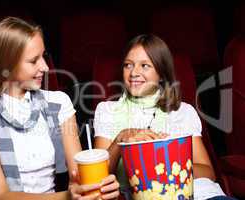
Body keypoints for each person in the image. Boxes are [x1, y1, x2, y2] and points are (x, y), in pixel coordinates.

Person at [0, 16, 119, 200]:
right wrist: (67, 197)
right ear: (7, 64)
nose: (46, 67)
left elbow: (76, 176)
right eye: (33, 61)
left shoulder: (58, 103)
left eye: (44, 56)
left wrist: (94, 188)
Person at [94, 34, 236, 200]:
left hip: (202, 194)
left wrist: (168, 167)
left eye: (145, 65)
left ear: (161, 73)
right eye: (128, 65)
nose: (134, 72)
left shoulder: (183, 111)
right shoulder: (107, 111)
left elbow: (208, 172)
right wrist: (121, 139)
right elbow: (98, 179)